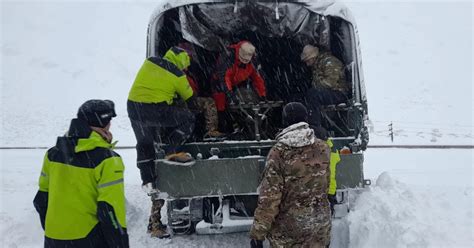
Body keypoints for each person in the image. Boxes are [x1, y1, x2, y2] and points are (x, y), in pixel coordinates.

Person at [33, 100, 129, 248]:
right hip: (89, 238)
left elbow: (41, 199)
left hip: (53, 238)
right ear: (106, 124)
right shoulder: (108, 160)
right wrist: (120, 243)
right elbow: (110, 210)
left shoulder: (52, 154)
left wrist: (55, 231)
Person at [128, 46, 199, 238]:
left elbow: (152, 86)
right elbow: (191, 100)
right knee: (188, 118)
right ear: (183, 61)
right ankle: (171, 149)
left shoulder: (149, 61)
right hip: (156, 110)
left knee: (144, 143)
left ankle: (147, 179)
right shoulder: (177, 73)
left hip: (134, 108)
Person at [249, 102, 332, 248]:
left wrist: (258, 234)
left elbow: (270, 199)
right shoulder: (323, 148)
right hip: (319, 228)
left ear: (285, 121)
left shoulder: (278, 153)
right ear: (306, 119)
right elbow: (325, 185)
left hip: (288, 232)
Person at [212, 41, 267, 132]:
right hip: (219, 82)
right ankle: (224, 129)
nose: (245, 61)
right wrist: (230, 95)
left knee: (247, 97)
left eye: (247, 60)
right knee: (221, 103)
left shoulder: (254, 60)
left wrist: (262, 94)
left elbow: (258, 78)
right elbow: (224, 77)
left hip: (239, 82)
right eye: (243, 59)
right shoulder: (228, 57)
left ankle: (246, 126)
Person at [301, 44, 349, 127]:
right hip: (332, 92)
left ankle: (314, 125)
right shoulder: (318, 64)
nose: (307, 64)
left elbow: (330, 83)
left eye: (308, 61)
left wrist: (315, 85)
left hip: (339, 93)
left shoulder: (330, 62)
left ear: (313, 57)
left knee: (313, 95)